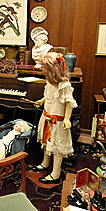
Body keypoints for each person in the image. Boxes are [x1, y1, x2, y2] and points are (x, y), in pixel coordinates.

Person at [30, 52, 77, 186]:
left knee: (57, 148)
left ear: (53, 70)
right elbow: (48, 95)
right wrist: (42, 100)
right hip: (47, 117)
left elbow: (69, 103)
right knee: (47, 142)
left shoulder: (64, 85)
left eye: (46, 69)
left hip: (57, 121)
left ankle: (56, 173)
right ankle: (45, 163)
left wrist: (67, 119)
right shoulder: (50, 83)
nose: (44, 72)